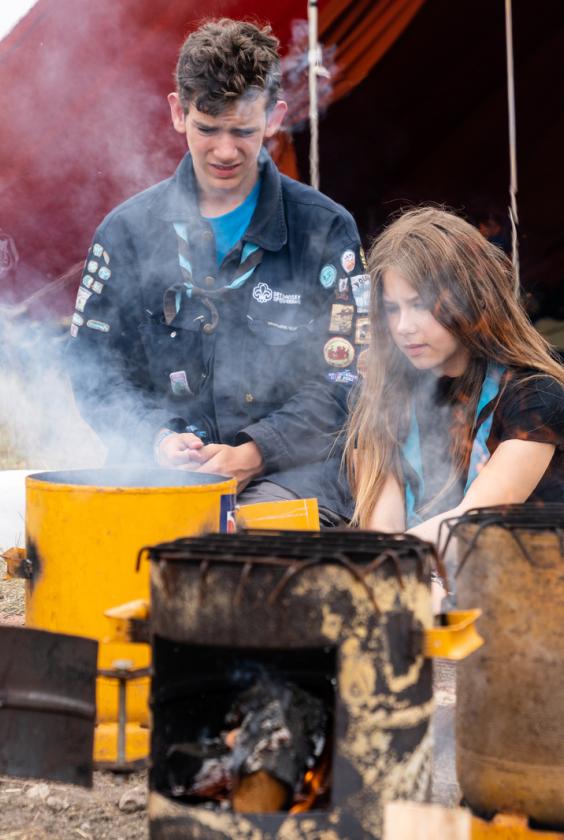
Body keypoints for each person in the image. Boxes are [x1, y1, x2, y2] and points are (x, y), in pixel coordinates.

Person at [67, 18, 368, 520]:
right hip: (156, 474)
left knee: (237, 545)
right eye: (208, 128)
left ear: (274, 117)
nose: (225, 151)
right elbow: (94, 372)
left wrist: (255, 452)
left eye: (243, 131)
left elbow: (347, 376)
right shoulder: (124, 233)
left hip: (292, 477)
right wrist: (157, 440)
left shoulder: (326, 229)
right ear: (177, 112)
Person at [345, 206, 564, 547]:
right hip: (417, 577)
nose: (404, 327)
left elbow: (474, 522)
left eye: (419, 305)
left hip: (524, 584)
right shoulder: (384, 394)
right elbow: (382, 533)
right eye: (392, 309)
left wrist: (392, 562)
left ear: (472, 300)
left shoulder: (536, 394)